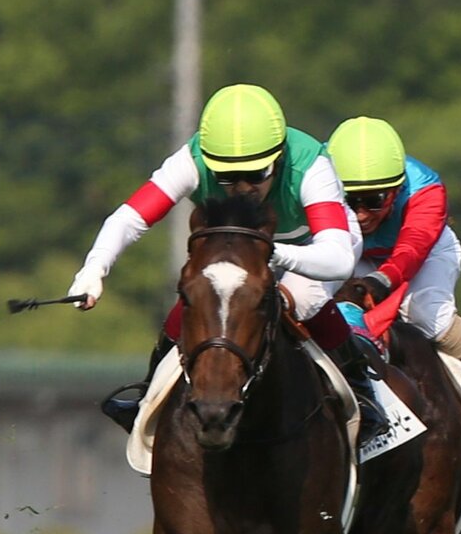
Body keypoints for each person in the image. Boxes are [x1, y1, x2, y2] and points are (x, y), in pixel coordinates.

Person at [68, 84, 381, 434]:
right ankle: (147, 394)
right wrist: (94, 269)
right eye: (228, 177)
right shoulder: (192, 160)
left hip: (314, 245)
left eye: (256, 175)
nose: (243, 187)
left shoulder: (310, 166)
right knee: (200, 298)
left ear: (278, 159)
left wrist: (270, 254)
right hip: (245, 245)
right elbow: (129, 218)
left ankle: (360, 390)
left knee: (298, 301)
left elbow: (337, 259)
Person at [324, 116, 461, 379]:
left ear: (396, 189)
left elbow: (412, 248)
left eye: (374, 200)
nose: (360, 215)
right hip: (348, 250)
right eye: (349, 201)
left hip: (422, 252)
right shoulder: (314, 175)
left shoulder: (425, 189)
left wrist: (384, 278)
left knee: (428, 318)